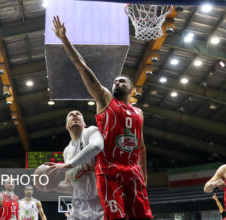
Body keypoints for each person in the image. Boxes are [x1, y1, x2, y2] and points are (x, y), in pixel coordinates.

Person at [52, 16, 152, 220]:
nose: (117, 83)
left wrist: (144, 176)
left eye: (122, 81)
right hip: (109, 169)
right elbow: (83, 67)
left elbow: (140, 147)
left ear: (131, 89)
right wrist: (65, 40)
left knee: (143, 217)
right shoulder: (105, 99)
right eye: (115, 81)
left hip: (133, 171)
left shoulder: (138, 113)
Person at [47, 110, 104, 220]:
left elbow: (97, 146)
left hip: (100, 204)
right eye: (70, 115)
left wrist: (68, 165)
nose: (74, 115)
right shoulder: (67, 151)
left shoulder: (91, 132)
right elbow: (70, 186)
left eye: (78, 114)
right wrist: (52, 186)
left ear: (84, 123)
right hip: (79, 207)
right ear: (66, 126)